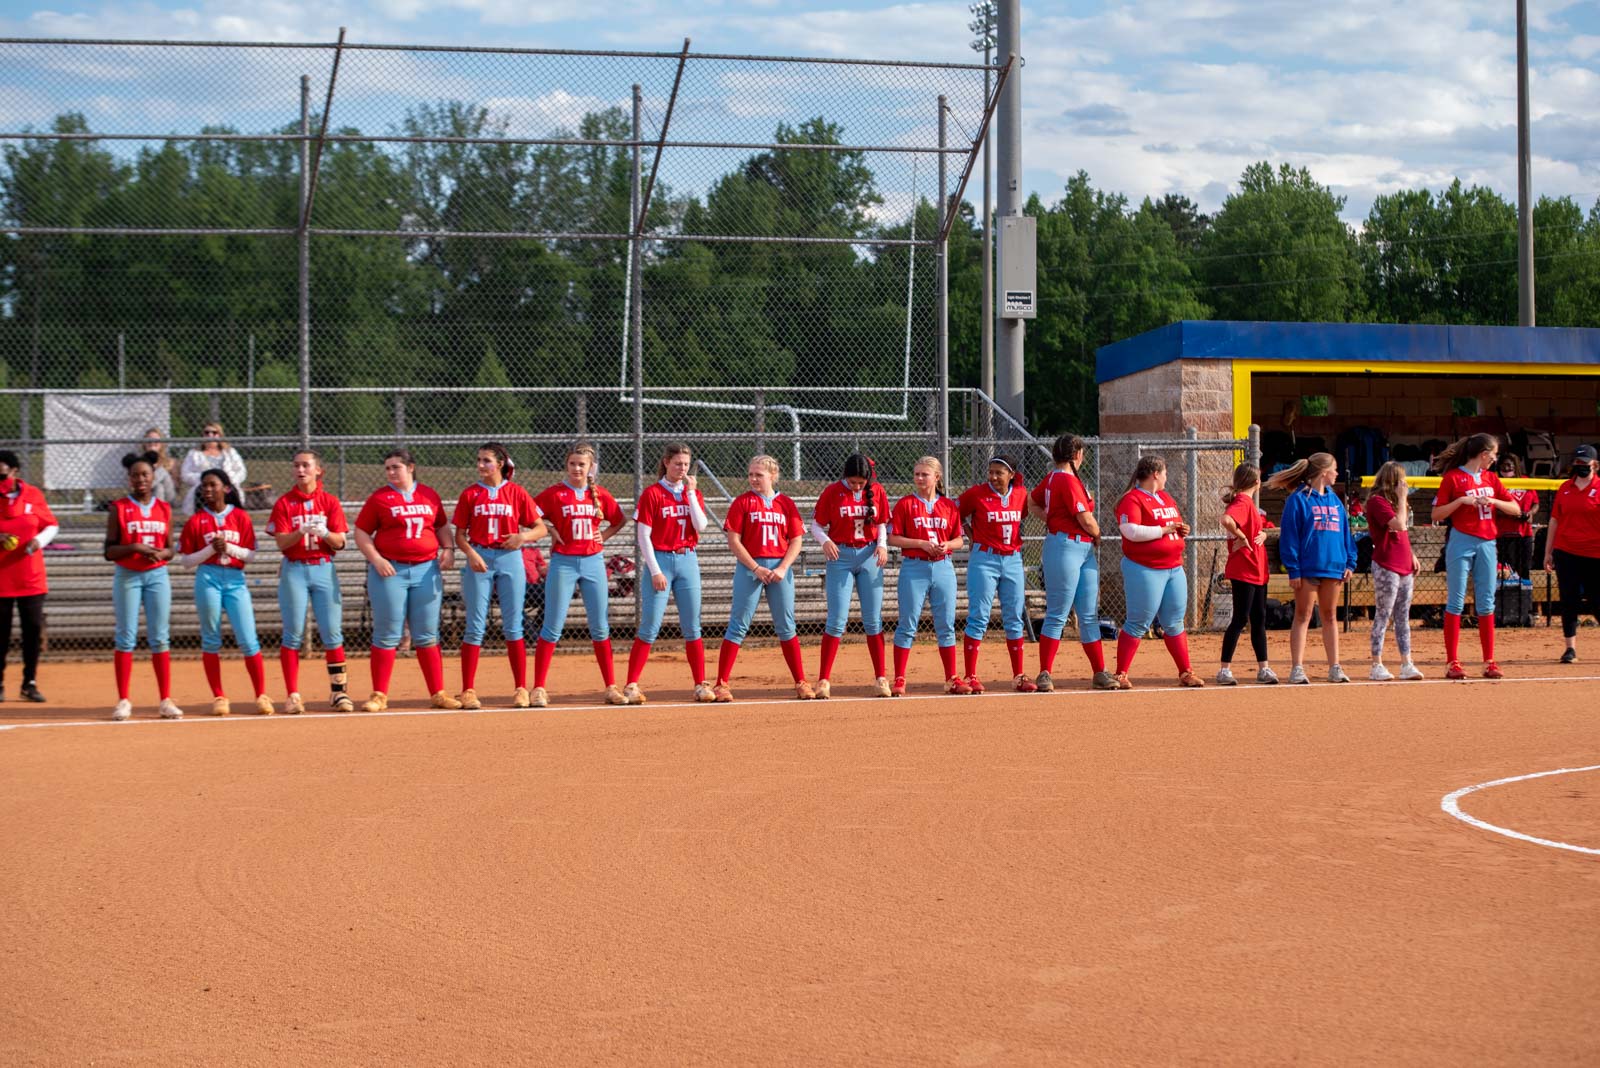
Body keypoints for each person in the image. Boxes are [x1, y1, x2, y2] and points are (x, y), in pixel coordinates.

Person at [353, 448, 458, 711]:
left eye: (396, 467)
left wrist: (448, 549)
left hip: (426, 569)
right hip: (391, 571)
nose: (390, 472)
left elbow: (441, 525)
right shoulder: (380, 498)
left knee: (427, 634)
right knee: (387, 633)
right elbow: (361, 531)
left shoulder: (429, 494)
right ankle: (379, 695)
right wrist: (377, 559)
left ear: (410, 468)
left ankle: (438, 693)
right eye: (387, 468)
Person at [532, 443, 628, 707]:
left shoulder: (599, 494)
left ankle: (611, 687)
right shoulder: (555, 494)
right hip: (563, 562)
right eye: (572, 463)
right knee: (552, 626)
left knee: (600, 626)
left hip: (593, 561)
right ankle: (538, 688)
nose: (576, 468)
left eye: (582, 464)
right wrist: (550, 529)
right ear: (566, 464)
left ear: (590, 467)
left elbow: (619, 519)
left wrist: (603, 536)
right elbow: (528, 516)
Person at [714, 455, 813, 702]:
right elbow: (734, 540)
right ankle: (721, 683)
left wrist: (783, 568)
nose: (753, 479)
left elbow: (796, 540)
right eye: (751, 474)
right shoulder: (742, 502)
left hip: (780, 569)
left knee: (786, 626)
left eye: (759, 475)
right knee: (738, 625)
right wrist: (756, 567)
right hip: (751, 568)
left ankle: (801, 681)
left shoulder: (786, 504)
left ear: (773, 475)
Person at [453, 443, 545, 709]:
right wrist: (471, 554)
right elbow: (459, 534)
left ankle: (520, 689)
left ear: (500, 464)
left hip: (509, 557)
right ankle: (468, 690)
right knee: (475, 625)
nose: (481, 465)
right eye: (479, 460)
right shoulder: (470, 493)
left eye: (486, 460)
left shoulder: (516, 492)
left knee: (513, 624)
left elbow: (540, 528)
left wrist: (522, 537)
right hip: (480, 556)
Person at [180, 469, 272, 715]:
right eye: (204, 486)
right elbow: (186, 561)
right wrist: (211, 549)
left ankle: (261, 694)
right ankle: (219, 696)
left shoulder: (240, 516)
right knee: (211, 638)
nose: (208, 489)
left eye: (213, 485)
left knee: (248, 639)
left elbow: (250, 555)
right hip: (208, 578)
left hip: (235, 579)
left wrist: (228, 547)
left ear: (226, 488)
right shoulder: (196, 519)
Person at [625, 443, 712, 704]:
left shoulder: (692, 493)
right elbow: (643, 536)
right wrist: (655, 570)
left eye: (685, 464)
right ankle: (631, 685)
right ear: (666, 463)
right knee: (650, 626)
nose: (682, 468)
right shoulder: (652, 494)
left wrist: (691, 493)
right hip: (661, 559)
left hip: (687, 559)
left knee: (692, 626)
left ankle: (700, 684)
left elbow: (701, 525)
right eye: (677, 463)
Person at [268, 449, 353, 714]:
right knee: (292, 633)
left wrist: (325, 532)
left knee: (332, 632)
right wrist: (300, 531)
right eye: (296, 465)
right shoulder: (285, 502)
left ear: (318, 470)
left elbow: (340, 542)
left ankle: (338, 692)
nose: (300, 470)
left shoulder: (329, 501)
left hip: (323, 567)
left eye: (306, 465)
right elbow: (281, 542)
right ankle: (293, 695)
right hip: (294, 568)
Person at [1431, 433, 1521, 679]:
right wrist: (1462, 501)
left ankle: (1489, 661)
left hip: (1487, 542)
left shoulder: (1492, 478)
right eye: (1493, 455)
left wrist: (1493, 500)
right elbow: (1437, 514)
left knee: (1486, 602)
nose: (1494, 459)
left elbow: (1516, 508)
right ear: (1483, 454)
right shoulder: (1453, 477)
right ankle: (1452, 662)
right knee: (1456, 601)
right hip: (1461, 540)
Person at [1029, 433, 1112, 691]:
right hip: (1066, 546)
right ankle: (1044, 673)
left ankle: (1099, 671)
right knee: (1059, 612)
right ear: (1076, 455)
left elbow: (1032, 502)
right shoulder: (1065, 479)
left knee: (1088, 614)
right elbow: (1085, 518)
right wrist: (1098, 533)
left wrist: (1053, 518)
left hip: (1079, 549)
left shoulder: (1056, 477)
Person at [1111, 456, 1202, 689]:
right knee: (1138, 622)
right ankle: (1120, 673)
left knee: (1174, 622)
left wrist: (1180, 529)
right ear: (1155, 474)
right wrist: (1164, 530)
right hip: (1145, 568)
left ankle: (1186, 672)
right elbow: (1130, 530)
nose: (1166, 477)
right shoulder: (1132, 499)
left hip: (1174, 567)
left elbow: (1172, 525)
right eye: (1164, 473)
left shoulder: (1164, 497)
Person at [1266, 453, 1357, 685]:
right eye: (1334, 469)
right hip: (1307, 567)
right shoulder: (1298, 499)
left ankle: (1334, 667)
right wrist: (1293, 569)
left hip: (1333, 566)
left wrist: (1350, 561)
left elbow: (1345, 533)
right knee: (1303, 615)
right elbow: (1290, 537)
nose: (1337, 473)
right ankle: (1297, 668)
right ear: (1324, 472)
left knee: (1330, 616)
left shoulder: (1335, 501)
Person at [104, 451, 182, 721]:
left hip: (157, 575)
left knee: (160, 637)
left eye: (145, 474)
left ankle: (165, 700)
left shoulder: (164, 508)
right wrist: (134, 547)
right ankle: (124, 700)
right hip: (128, 575)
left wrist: (163, 554)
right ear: (129, 478)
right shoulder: (119, 508)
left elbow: (171, 549)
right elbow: (109, 551)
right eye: (135, 475)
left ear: (153, 477)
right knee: (126, 636)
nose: (140, 479)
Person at [811, 454, 892, 699]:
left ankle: (881, 678)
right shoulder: (832, 491)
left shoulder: (877, 490)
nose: (857, 487)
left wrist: (882, 545)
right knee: (836, 620)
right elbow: (816, 525)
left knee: (873, 620)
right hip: (841, 556)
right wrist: (825, 541)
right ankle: (824, 680)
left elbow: (881, 523)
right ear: (845, 476)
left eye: (861, 483)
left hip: (869, 554)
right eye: (852, 482)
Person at [886, 456, 966, 696]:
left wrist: (947, 544)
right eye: (917, 474)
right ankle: (900, 678)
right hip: (915, 567)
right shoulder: (906, 504)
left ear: (937, 477)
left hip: (943, 566)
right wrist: (921, 543)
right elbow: (893, 538)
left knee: (946, 624)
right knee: (908, 623)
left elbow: (959, 540)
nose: (919, 478)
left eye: (925, 474)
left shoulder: (948, 505)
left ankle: (951, 678)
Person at [958, 455, 1036, 694]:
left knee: (1014, 617)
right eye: (990, 471)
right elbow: (954, 512)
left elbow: (1023, 513)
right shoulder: (977, 494)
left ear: (1011, 475)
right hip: (985, 559)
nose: (993, 477)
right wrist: (969, 532)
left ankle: (1018, 675)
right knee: (979, 616)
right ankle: (970, 675)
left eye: (999, 472)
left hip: (1012, 559)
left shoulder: (1020, 494)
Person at [0, 450, 58, 702]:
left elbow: (51, 525)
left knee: (32, 630)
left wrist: (38, 541)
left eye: (2, 475)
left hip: (30, 577)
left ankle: (29, 682)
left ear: (15, 472)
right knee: (1, 633)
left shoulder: (33, 495)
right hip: (1, 577)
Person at [1216, 463, 1277, 686]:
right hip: (1245, 569)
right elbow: (1226, 520)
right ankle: (1224, 670)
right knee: (1240, 619)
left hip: (1256, 569)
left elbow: (1258, 527)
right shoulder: (1242, 500)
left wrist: (1262, 534)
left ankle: (1264, 668)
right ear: (1256, 482)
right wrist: (1241, 536)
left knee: (1259, 619)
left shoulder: (1248, 503)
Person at [1364, 462, 1424, 681]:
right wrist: (1402, 498)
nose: (1404, 484)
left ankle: (1406, 662)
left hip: (1403, 562)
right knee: (1383, 614)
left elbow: (1402, 533)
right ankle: (1376, 664)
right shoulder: (1377, 501)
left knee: (1403, 616)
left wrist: (1411, 554)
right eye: (1401, 480)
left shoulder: (1396, 502)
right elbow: (1398, 524)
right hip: (1386, 562)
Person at [1544, 444, 1600, 664]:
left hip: (1595, 553)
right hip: (1566, 551)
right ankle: (1570, 648)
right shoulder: (1565, 487)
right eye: (1577, 462)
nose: (1580, 466)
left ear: (1594, 464)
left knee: (1597, 601)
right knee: (1569, 600)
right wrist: (1548, 552)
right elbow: (1555, 520)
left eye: (1584, 463)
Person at [179, 421, 248, 515]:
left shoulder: (230, 452)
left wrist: (228, 479)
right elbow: (185, 474)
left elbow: (241, 471)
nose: (210, 435)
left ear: (220, 435)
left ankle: (234, 516)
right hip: (203, 486)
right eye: (207, 433)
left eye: (214, 433)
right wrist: (204, 479)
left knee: (230, 490)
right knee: (202, 491)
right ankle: (202, 517)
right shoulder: (194, 453)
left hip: (226, 484)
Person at [1494, 454, 1539, 580]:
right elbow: (1493, 507)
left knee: (1524, 568)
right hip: (1504, 534)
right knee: (1506, 570)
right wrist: (1512, 514)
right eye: (1503, 465)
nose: (1506, 468)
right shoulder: (1496, 482)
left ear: (1516, 466)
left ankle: (1524, 591)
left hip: (1524, 533)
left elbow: (1536, 503)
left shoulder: (1525, 481)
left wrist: (1530, 513)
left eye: (1509, 465)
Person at [143, 428, 178, 505]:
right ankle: (159, 510)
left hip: (169, 497)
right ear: (144, 444)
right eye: (149, 440)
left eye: (156, 440)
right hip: (146, 495)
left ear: (161, 443)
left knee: (162, 471)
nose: (152, 442)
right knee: (159, 487)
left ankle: (148, 486)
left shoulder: (170, 461)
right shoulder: (139, 463)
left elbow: (176, 486)